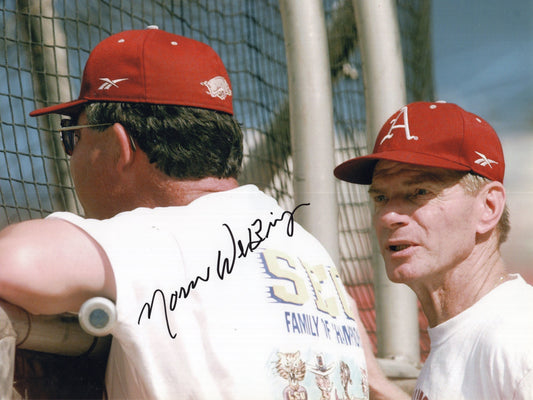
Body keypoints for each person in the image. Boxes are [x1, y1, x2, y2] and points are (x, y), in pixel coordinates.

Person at [0, 26, 406, 399]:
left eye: (73, 136)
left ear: (120, 147)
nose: (70, 154)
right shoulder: (306, 249)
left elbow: (13, 262)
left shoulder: (164, 239)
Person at [334, 100, 533, 399]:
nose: (389, 216)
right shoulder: (470, 334)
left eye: (419, 192)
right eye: (381, 198)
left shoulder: (517, 338)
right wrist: (373, 380)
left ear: (488, 207)